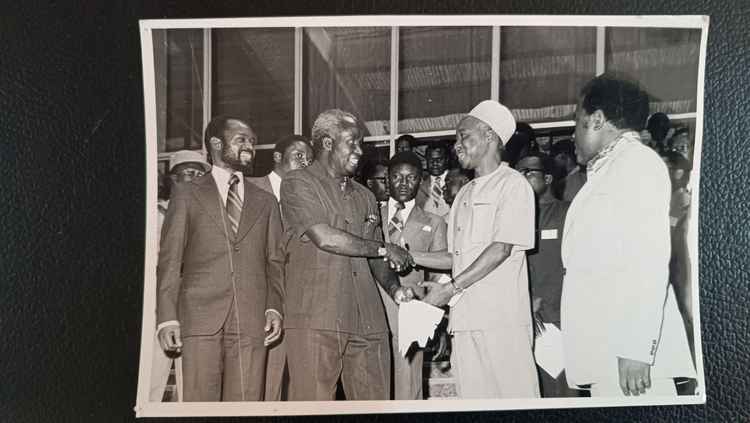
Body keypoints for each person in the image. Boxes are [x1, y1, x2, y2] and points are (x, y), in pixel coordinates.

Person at [561, 74, 695, 397]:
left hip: (630, 360)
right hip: (607, 352)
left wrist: (636, 347)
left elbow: (648, 258)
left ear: (596, 119)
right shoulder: (609, 169)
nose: (573, 133)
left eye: (577, 123)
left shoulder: (637, 163)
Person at [280, 109, 415, 401]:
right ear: (327, 143)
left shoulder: (365, 196)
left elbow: (376, 257)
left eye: (361, 143)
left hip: (367, 319)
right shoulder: (297, 183)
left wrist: (395, 289)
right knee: (313, 409)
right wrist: (383, 248)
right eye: (352, 142)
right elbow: (325, 238)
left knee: (375, 407)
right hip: (317, 319)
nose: (359, 151)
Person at [411, 100, 540, 399]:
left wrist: (451, 288)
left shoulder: (513, 185)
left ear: (489, 136)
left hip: (502, 322)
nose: (457, 145)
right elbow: (454, 257)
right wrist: (409, 255)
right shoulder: (464, 194)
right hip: (466, 321)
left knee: (518, 406)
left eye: (463, 136)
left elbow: (501, 249)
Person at [156, 116, 285, 401]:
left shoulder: (266, 202)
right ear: (216, 143)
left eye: (252, 140)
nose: (250, 146)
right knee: (200, 407)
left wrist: (274, 307)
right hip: (199, 318)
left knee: (246, 407)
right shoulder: (187, 194)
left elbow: (275, 261)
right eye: (241, 139)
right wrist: (167, 318)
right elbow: (170, 260)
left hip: (252, 320)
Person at [375, 151, 448, 400]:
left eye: (412, 178)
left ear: (421, 181)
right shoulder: (370, 215)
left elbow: (441, 274)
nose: (404, 184)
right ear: (387, 179)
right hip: (371, 305)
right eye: (397, 177)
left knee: (408, 387)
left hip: (411, 312)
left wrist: (437, 320)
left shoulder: (435, 222)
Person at [246, 134, 313, 401]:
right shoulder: (248, 188)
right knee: (256, 385)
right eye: (299, 156)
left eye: (309, 159)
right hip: (259, 300)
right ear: (277, 157)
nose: (305, 162)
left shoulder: (309, 198)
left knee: (293, 384)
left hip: (299, 302)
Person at [514, 154, 581, 398]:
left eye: (528, 172)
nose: (521, 178)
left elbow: (576, 268)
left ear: (549, 178)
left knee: (562, 395)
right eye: (517, 172)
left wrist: (542, 301)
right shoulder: (514, 217)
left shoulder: (569, 212)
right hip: (522, 320)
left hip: (558, 321)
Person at [150, 149, 211, 402]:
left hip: (197, 308)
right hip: (157, 307)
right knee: (152, 380)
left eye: (200, 174)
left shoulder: (211, 217)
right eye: (188, 173)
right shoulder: (155, 214)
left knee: (194, 388)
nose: (195, 179)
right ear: (172, 179)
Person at [248, 134, 313, 202]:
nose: (305, 164)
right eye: (299, 155)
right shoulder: (250, 186)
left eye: (309, 162)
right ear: (278, 157)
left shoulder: (305, 197)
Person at [416, 144, 451, 218]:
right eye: (431, 160)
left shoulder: (456, 181)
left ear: (447, 160)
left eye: (439, 159)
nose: (435, 163)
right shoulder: (419, 184)